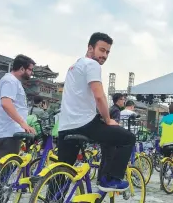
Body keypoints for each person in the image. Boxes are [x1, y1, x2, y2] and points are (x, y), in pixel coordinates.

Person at [58, 32, 136, 192]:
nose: (104, 55)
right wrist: (108, 120)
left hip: (65, 126)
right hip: (84, 124)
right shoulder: (91, 65)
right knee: (128, 138)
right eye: (102, 50)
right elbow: (99, 96)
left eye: (107, 52)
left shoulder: (74, 66)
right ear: (90, 48)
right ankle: (109, 179)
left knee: (62, 173)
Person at [0, 54, 36, 161]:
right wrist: (23, 124)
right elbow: (6, 103)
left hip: (10, 130)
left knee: (4, 168)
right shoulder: (10, 81)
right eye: (30, 69)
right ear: (21, 69)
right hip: (9, 131)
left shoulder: (13, 81)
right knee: (4, 169)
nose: (31, 73)